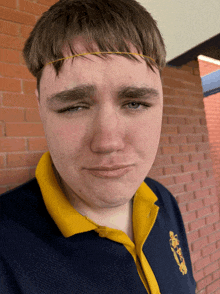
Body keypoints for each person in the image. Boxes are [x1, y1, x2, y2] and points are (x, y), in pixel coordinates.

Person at [0, 0, 196, 293]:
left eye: (135, 103)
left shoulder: (162, 200)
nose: (108, 143)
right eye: (74, 107)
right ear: (40, 107)